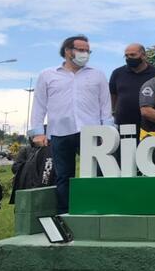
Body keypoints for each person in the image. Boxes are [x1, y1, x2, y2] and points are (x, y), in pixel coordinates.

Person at [30, 35, 113, 214]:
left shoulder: (97, 75)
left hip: (92, 132)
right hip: (60, 132)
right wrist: (38, 132)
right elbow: (39, 104)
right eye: (81, 50)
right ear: (68, 51)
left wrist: (108, 129)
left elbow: (105, 104)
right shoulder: (47, 75)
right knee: (63, 176)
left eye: (87, 51)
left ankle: (96, 211)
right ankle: (65, 214)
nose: (85, 54)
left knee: (96, 173)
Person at [109, 43, 155, 136]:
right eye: (126, 55)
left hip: (150, 126)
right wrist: (113, 113)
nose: (129, 58)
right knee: (124, 150)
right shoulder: (118, 73)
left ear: (143, 55)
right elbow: (113, 95)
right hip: (123, 125)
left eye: (132, 55)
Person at [10, 138, 54, 204]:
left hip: (39, 190)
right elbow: (15, 167)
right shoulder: (26, 150)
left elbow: (46, 174)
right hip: (26, 188)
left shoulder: (48, 150)